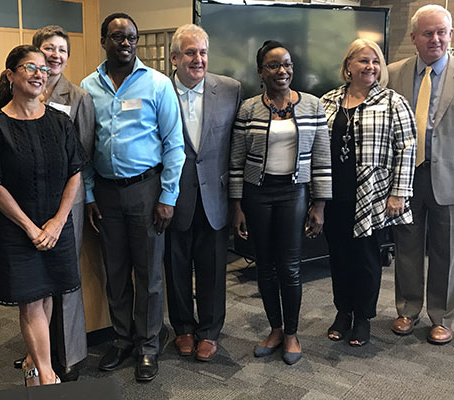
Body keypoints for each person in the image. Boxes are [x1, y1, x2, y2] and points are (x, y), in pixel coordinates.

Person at [81, 12, 184, 382]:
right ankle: (122, 339)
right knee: (116, 272)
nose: (125, 43)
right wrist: (90, 194)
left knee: (149, 275)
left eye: (131, 38)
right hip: (106, 193)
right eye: (118, 37)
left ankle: (148, 345)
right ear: (104, 40)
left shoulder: (157, 84)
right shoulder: (87, 87)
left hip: (146, 190)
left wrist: (168, 196)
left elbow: (174, 145)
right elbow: (86, 147)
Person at [387, 5, 454, 345]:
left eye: (441, 32)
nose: (435, 39)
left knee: (448, 252)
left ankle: (442, 316)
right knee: (406, 247)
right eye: (427, 33)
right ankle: (407, 309)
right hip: (406, 178)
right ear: (414, 37)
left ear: (450, 35)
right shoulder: (393, 73)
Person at [0, 44, 85, 387]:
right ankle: (47, 376)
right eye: (29, 67)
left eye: (43, 69)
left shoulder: (60, 120)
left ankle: (33, 365)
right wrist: (30, 227)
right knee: (31, 299)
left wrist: (56, 222)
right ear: (10, 75)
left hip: (56, 223)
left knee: (49, 291)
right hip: (16, 228)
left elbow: (75, 172)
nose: (39, 74)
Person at [229, 40, 331, 365]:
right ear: (261, 72)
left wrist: (319, 204)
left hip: (294, 193)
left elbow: (322, 159)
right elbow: (236, 161)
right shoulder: (248, 109)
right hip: (257, 194)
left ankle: (292, 333)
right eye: (273, 65)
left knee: (289, 266)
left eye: (286, 64)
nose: (281, 71)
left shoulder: (313, 106)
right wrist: (237, 205)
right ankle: (274, 328)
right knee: (266, 265)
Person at [9, 25, 95, 383]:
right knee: (34, 284)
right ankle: (38, 353)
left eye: (62, 50)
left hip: (66, 201)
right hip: (28, 202)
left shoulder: (78, 96)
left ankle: (69, 355)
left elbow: (84, 153)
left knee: (63, 282)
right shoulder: (23, 88)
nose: (55, 56)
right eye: (49, 49)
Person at [320, 39, 416, 347]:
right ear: (348, 65)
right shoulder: (328, 101)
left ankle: (362, 318)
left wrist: (399, 193)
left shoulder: (392, 102)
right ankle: (342, 312)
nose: (370, 67)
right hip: (334, 197)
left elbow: (407, 148)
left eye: (375, 61)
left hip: (372, 197)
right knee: (338, 257)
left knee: (366, 260)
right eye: (363, 60)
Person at [163, 24, 241, 362]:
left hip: (215, 196)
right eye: (191, 53)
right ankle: (183, 327)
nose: (198, 59)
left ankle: (209, 331)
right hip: (173, 196)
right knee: (176, 265)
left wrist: (238, 200)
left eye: (203, 52)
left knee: (212, 269)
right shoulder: (159, 90)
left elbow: (236, 147)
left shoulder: (230, 89)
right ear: (174, 58)